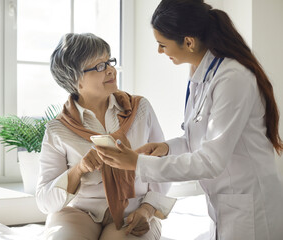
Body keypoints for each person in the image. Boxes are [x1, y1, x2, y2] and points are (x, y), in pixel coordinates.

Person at [95, 0, 283, 239]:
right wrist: (166, 148)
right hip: (226, 204)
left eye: (162, 44)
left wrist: (137, 164)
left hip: (250, 206)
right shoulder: (200, 72)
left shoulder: (232, 78)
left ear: (189, 42)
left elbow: (211, 161)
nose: (159, 52)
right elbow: (198, 138)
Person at [35, 33, 176, 240]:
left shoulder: (140, 109)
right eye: (99, 66)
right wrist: (79, 169)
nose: (111, 70)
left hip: (134, 210)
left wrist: (147, 210)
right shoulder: (58, 129)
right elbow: (44, 201)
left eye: (109, 61)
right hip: (79, 212)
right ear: (76, 80)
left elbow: (164, 165)